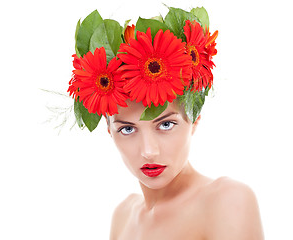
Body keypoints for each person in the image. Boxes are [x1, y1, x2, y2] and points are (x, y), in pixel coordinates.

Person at [67, 6, 264, 239]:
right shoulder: (122, 217)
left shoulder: (227, 200)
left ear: (195, 118)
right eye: (127, 129)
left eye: (166, 125)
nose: (149, 151)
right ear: (109, 131)